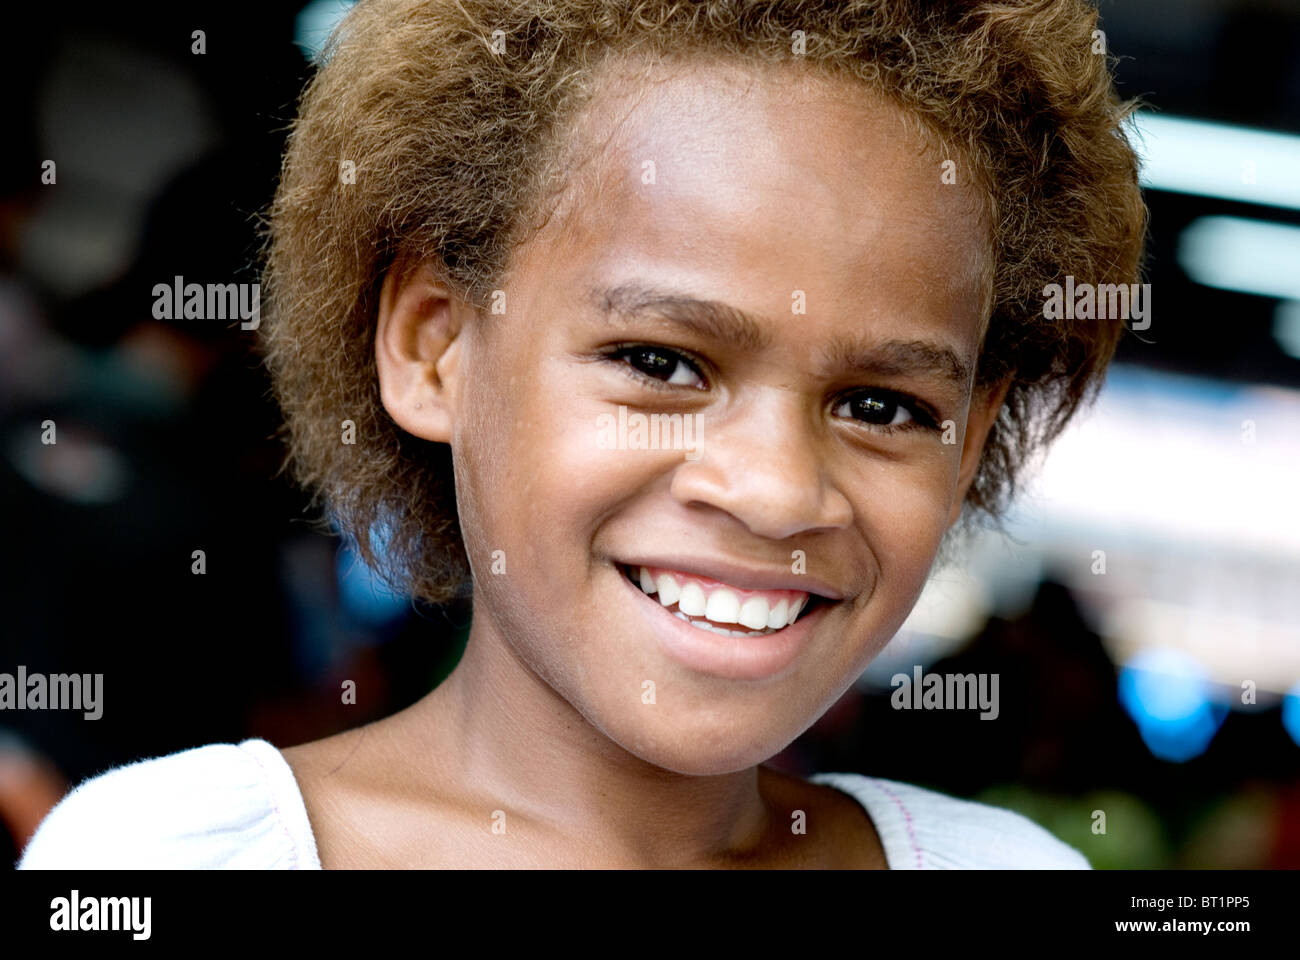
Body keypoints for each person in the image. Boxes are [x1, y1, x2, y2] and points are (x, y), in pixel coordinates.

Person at [18, 0, 1146, 869]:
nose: (774, 490)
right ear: (432, 345)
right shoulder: (173, 857)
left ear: (972, 435)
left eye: (882, 406)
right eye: (660, 362)